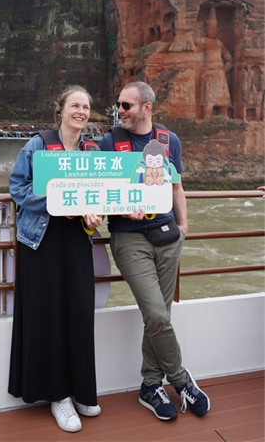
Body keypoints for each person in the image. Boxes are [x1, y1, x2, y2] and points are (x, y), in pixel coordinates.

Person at [99, 81, 210, 421]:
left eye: (127, 105)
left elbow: (176, 185)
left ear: (147, 108)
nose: (120, 110)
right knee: (158, 315)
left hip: (166, 236)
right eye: (119, 105)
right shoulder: (110, 141)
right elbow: (101, 189)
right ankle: (180, 379)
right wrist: (120, 207)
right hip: (129, 238)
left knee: (159, 315)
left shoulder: (167, 141)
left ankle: (150, 385)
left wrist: (183, 227)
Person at [8, 85, 103, 433]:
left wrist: (96, 215)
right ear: (60, 109)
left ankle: (80, 390)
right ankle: (57, 396)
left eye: (87, 106)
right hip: (42, 241)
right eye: (75, 105)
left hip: (77, 239)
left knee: (78, 311)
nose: (82, 111)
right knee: (48, 314)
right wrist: (54, 202)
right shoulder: (39, 144)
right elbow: (17, 187)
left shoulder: (93, 151)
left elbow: (101, 193)